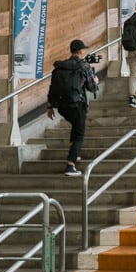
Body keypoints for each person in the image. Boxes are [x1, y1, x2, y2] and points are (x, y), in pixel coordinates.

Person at [46, 39, 99, 176]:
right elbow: (92, 88)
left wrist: (50, 106)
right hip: (77, 105)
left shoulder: (59, 67)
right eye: (83, 51)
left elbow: (52, 88)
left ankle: (74, 153)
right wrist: (95, 81)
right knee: (79, 134)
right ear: (80, 52)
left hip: (62, 107)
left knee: (76, 126)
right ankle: (71, 165)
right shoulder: (84, 66)